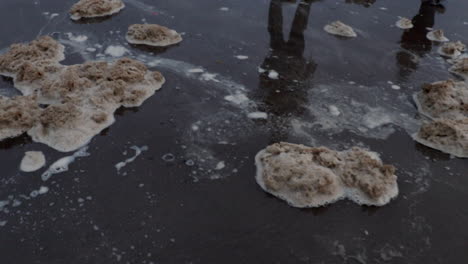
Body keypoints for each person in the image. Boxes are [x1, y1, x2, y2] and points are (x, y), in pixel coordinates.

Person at [252, 0, 318, 143]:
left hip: (287, 64)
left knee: (295, 32)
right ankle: (284, 3)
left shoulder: (290, 113)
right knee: (283, 32)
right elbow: (302, 91)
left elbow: (302, 90)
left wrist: (309, 71)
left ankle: (301, 4)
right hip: (284, 63)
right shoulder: (289, 112)